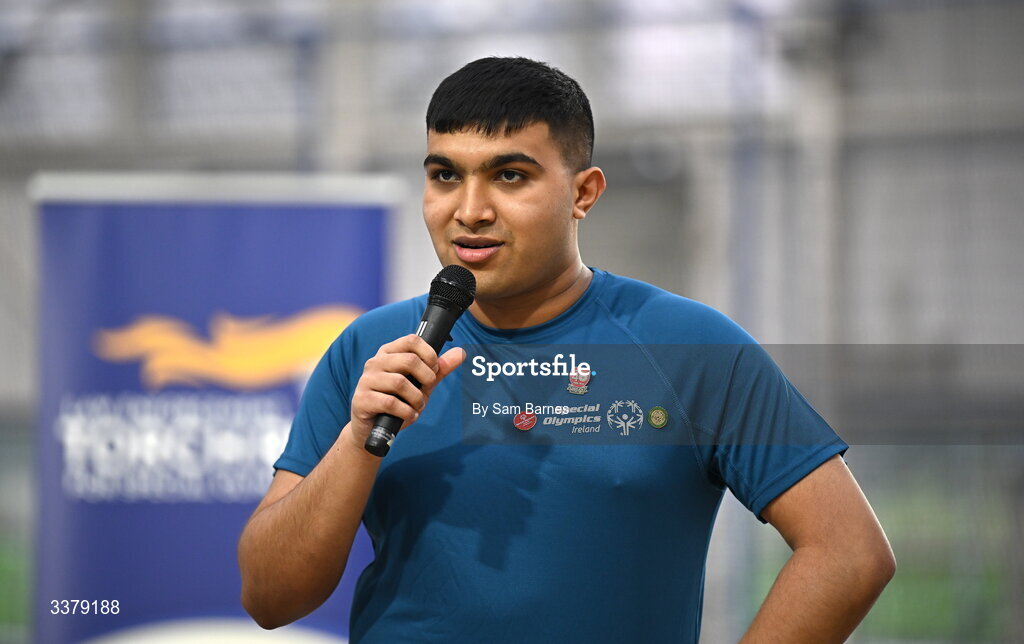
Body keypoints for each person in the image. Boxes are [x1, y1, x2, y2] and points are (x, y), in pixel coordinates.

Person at [238, 57, 895, 642]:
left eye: (510, 176)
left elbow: (848, 553)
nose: (469, 209)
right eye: (445, 174)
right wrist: (358, 441)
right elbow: (270, 598)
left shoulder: (689, 347)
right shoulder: (369, 352)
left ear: (583, 193)